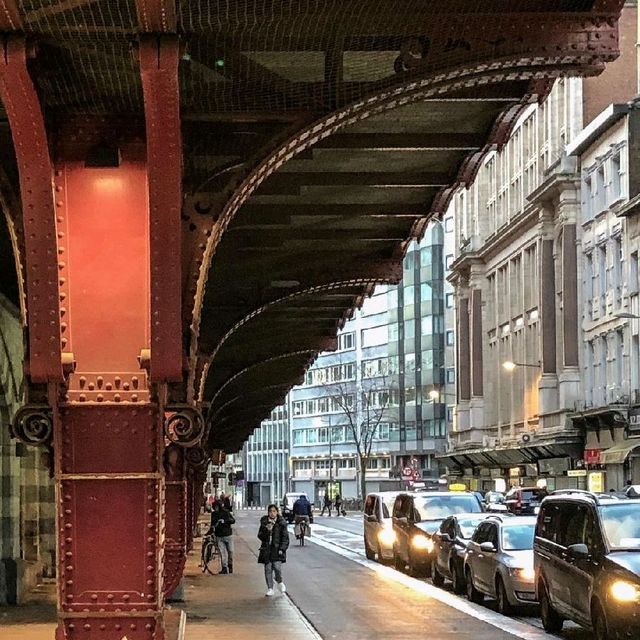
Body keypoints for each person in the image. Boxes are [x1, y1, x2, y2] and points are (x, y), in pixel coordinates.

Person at [258, 504, 290, 596]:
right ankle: (270, 588)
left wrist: (282, 548)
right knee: (268, 569)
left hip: (277, 549)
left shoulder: (281, 523)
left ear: (277, 512)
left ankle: (279, 581)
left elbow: (285, 538)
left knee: (277, 568)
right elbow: (260, 535)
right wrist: (266, 531)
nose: (272, 513)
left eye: (274, 511)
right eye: (270, 511)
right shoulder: (264, 522)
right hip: (267, 549)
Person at [208, 501, 235, 574]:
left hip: (228, 535)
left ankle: (230, 564)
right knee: (222, 553)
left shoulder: (226, 512)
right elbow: (212, 525)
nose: (216, 508)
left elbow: (233, 520)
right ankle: (224, 567)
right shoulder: (213, 514)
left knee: (230, 552)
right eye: (215, 507)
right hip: (219, 536)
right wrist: (209, 533)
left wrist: (225, 521)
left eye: (217, 507)